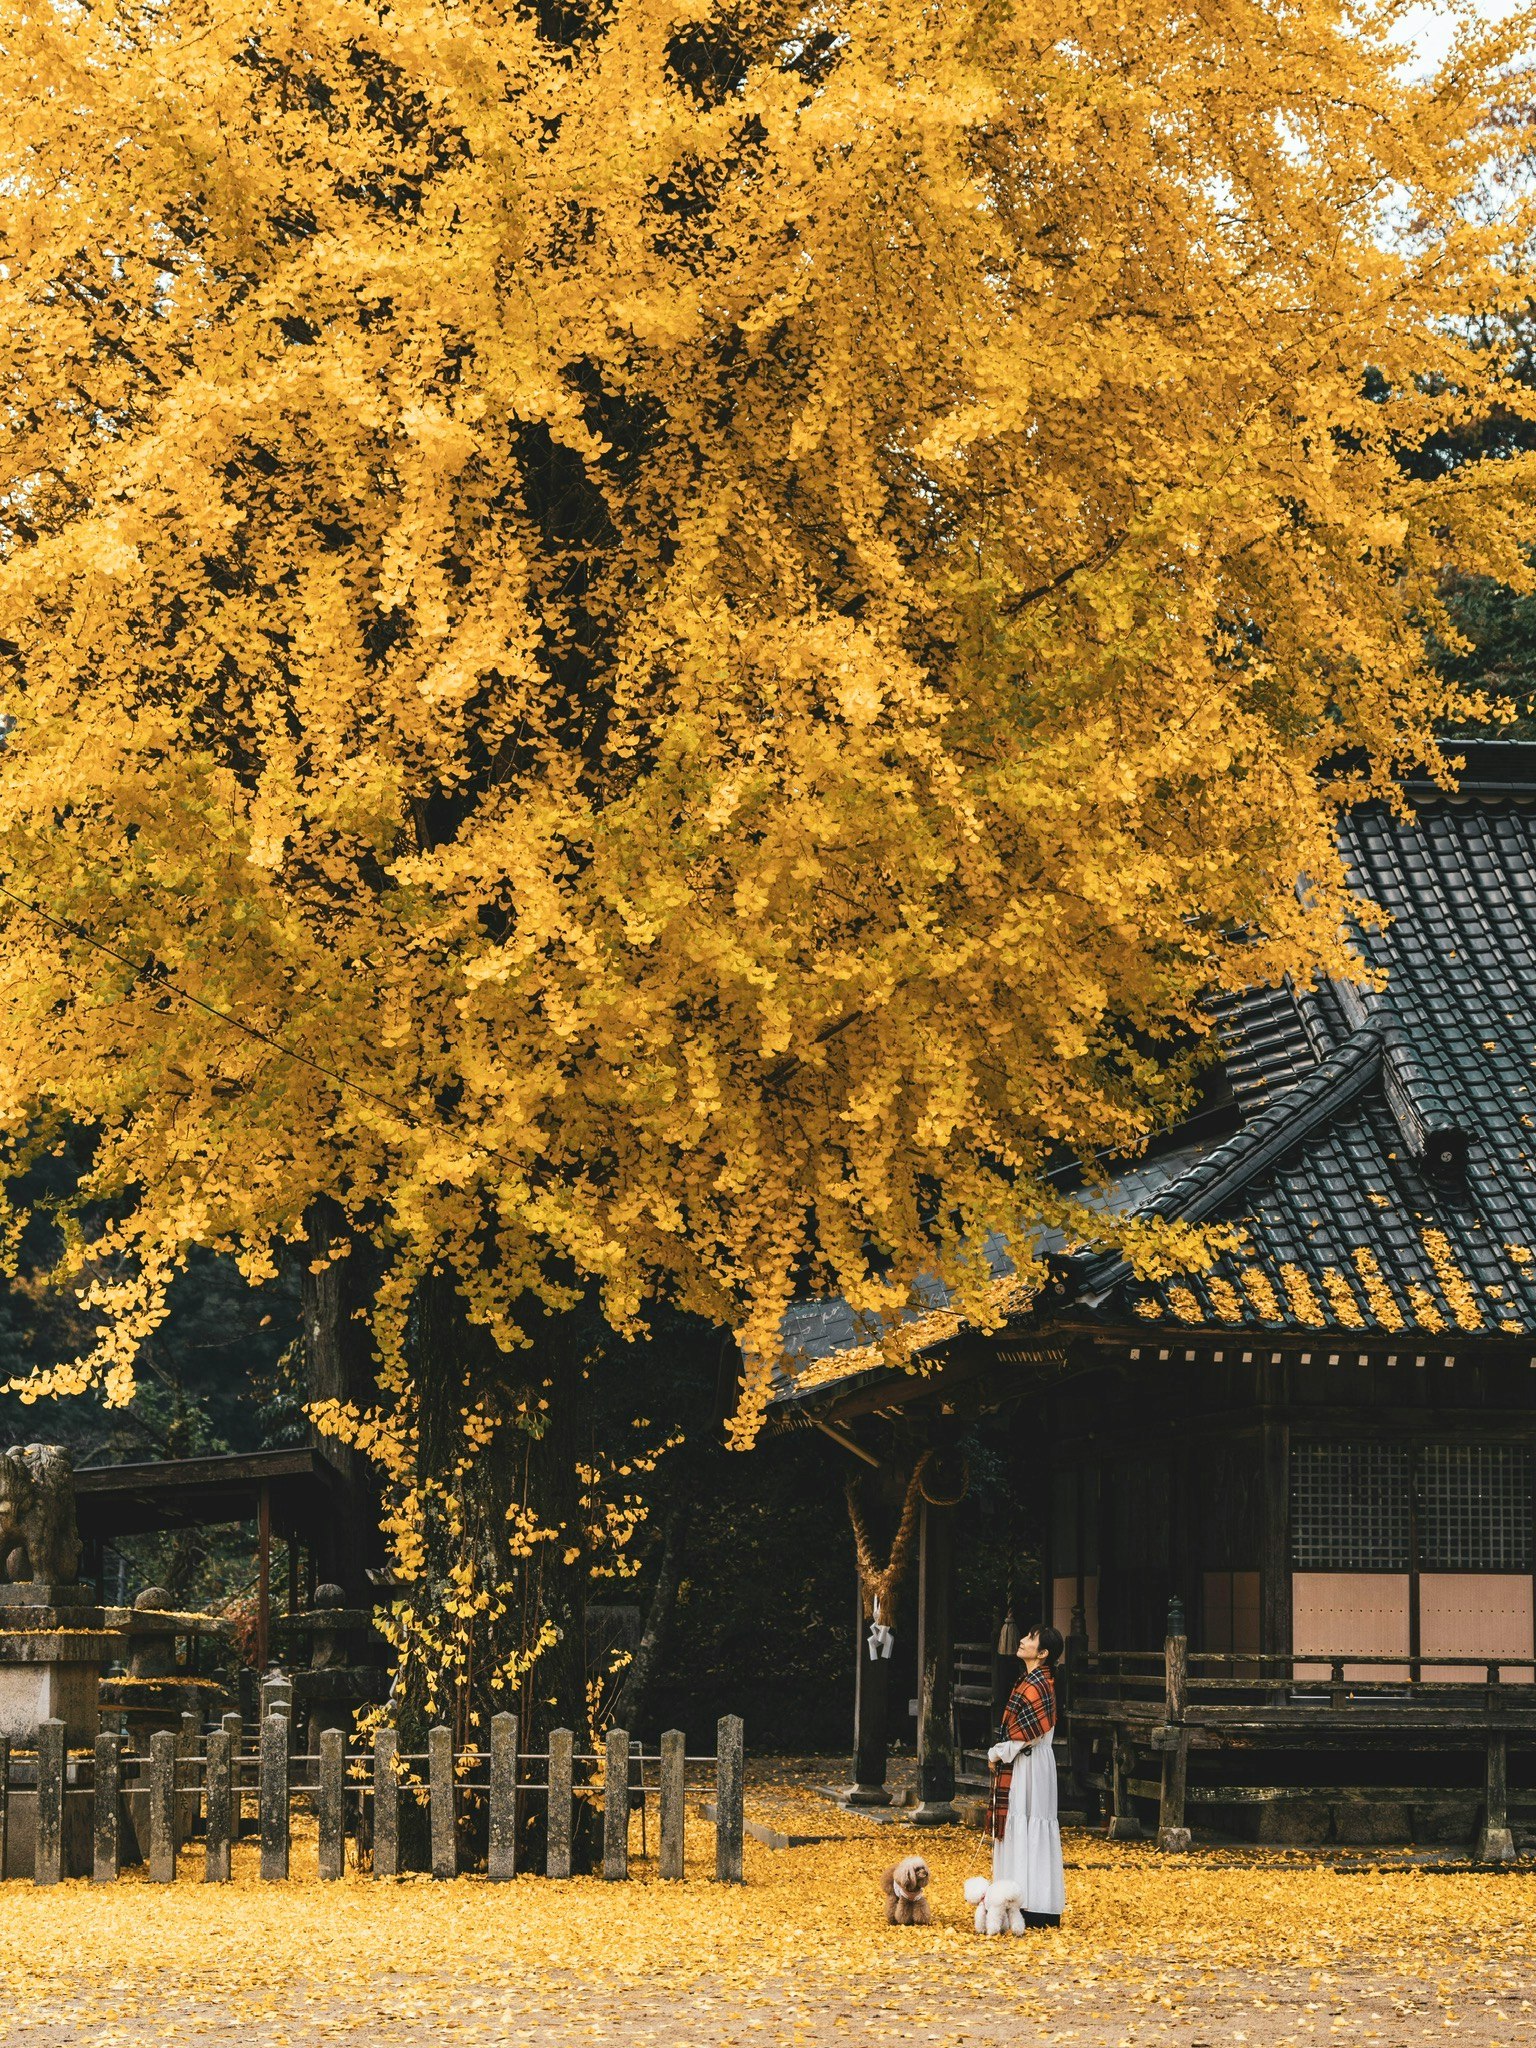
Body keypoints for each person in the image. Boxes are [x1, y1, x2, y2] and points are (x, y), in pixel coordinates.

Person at [987, 1623, 1065, 1927]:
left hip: (1029, 1763)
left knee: (1028, 1823)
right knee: (1026, 1826)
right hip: (1030, 1762)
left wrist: (997, 1752)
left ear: (1042, 1653)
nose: (1022, 1640)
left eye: (1030, 1638)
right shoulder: (1033, 1681)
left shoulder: (1037, 1684)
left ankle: (1033, 1904)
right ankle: (1024, 1902)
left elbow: (1026, 1737)